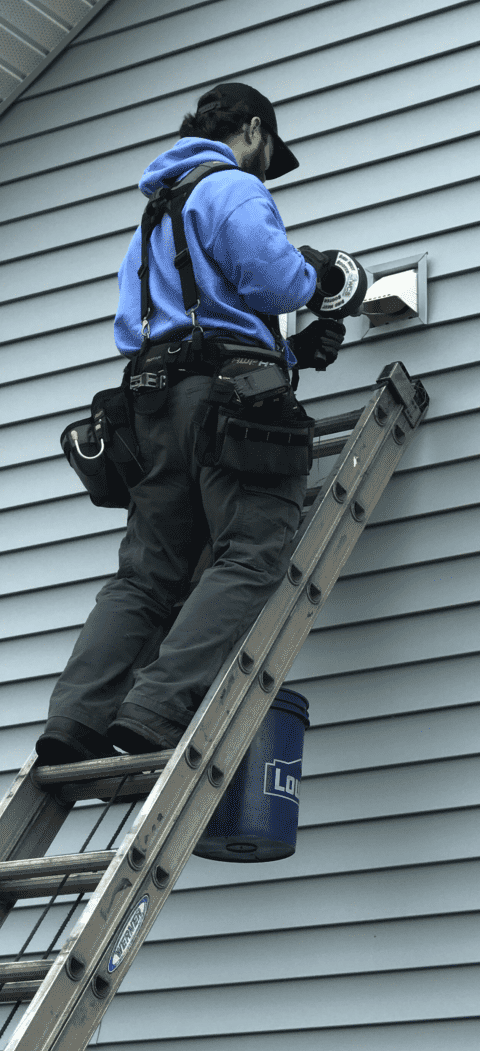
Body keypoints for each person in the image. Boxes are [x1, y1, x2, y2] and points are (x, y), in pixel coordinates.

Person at [36, 82, 348, 765]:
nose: (267, 167)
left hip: (151, 405)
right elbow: (273, 281)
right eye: (269, 153)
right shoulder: (231, 185)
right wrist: (320, 276)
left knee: (146, 576)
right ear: (255, 131)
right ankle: (157, 708)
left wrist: (291, 356)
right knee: (253, 552)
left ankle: (75, 718)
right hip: (226, 401)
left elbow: (183, 327)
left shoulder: (155, 216)